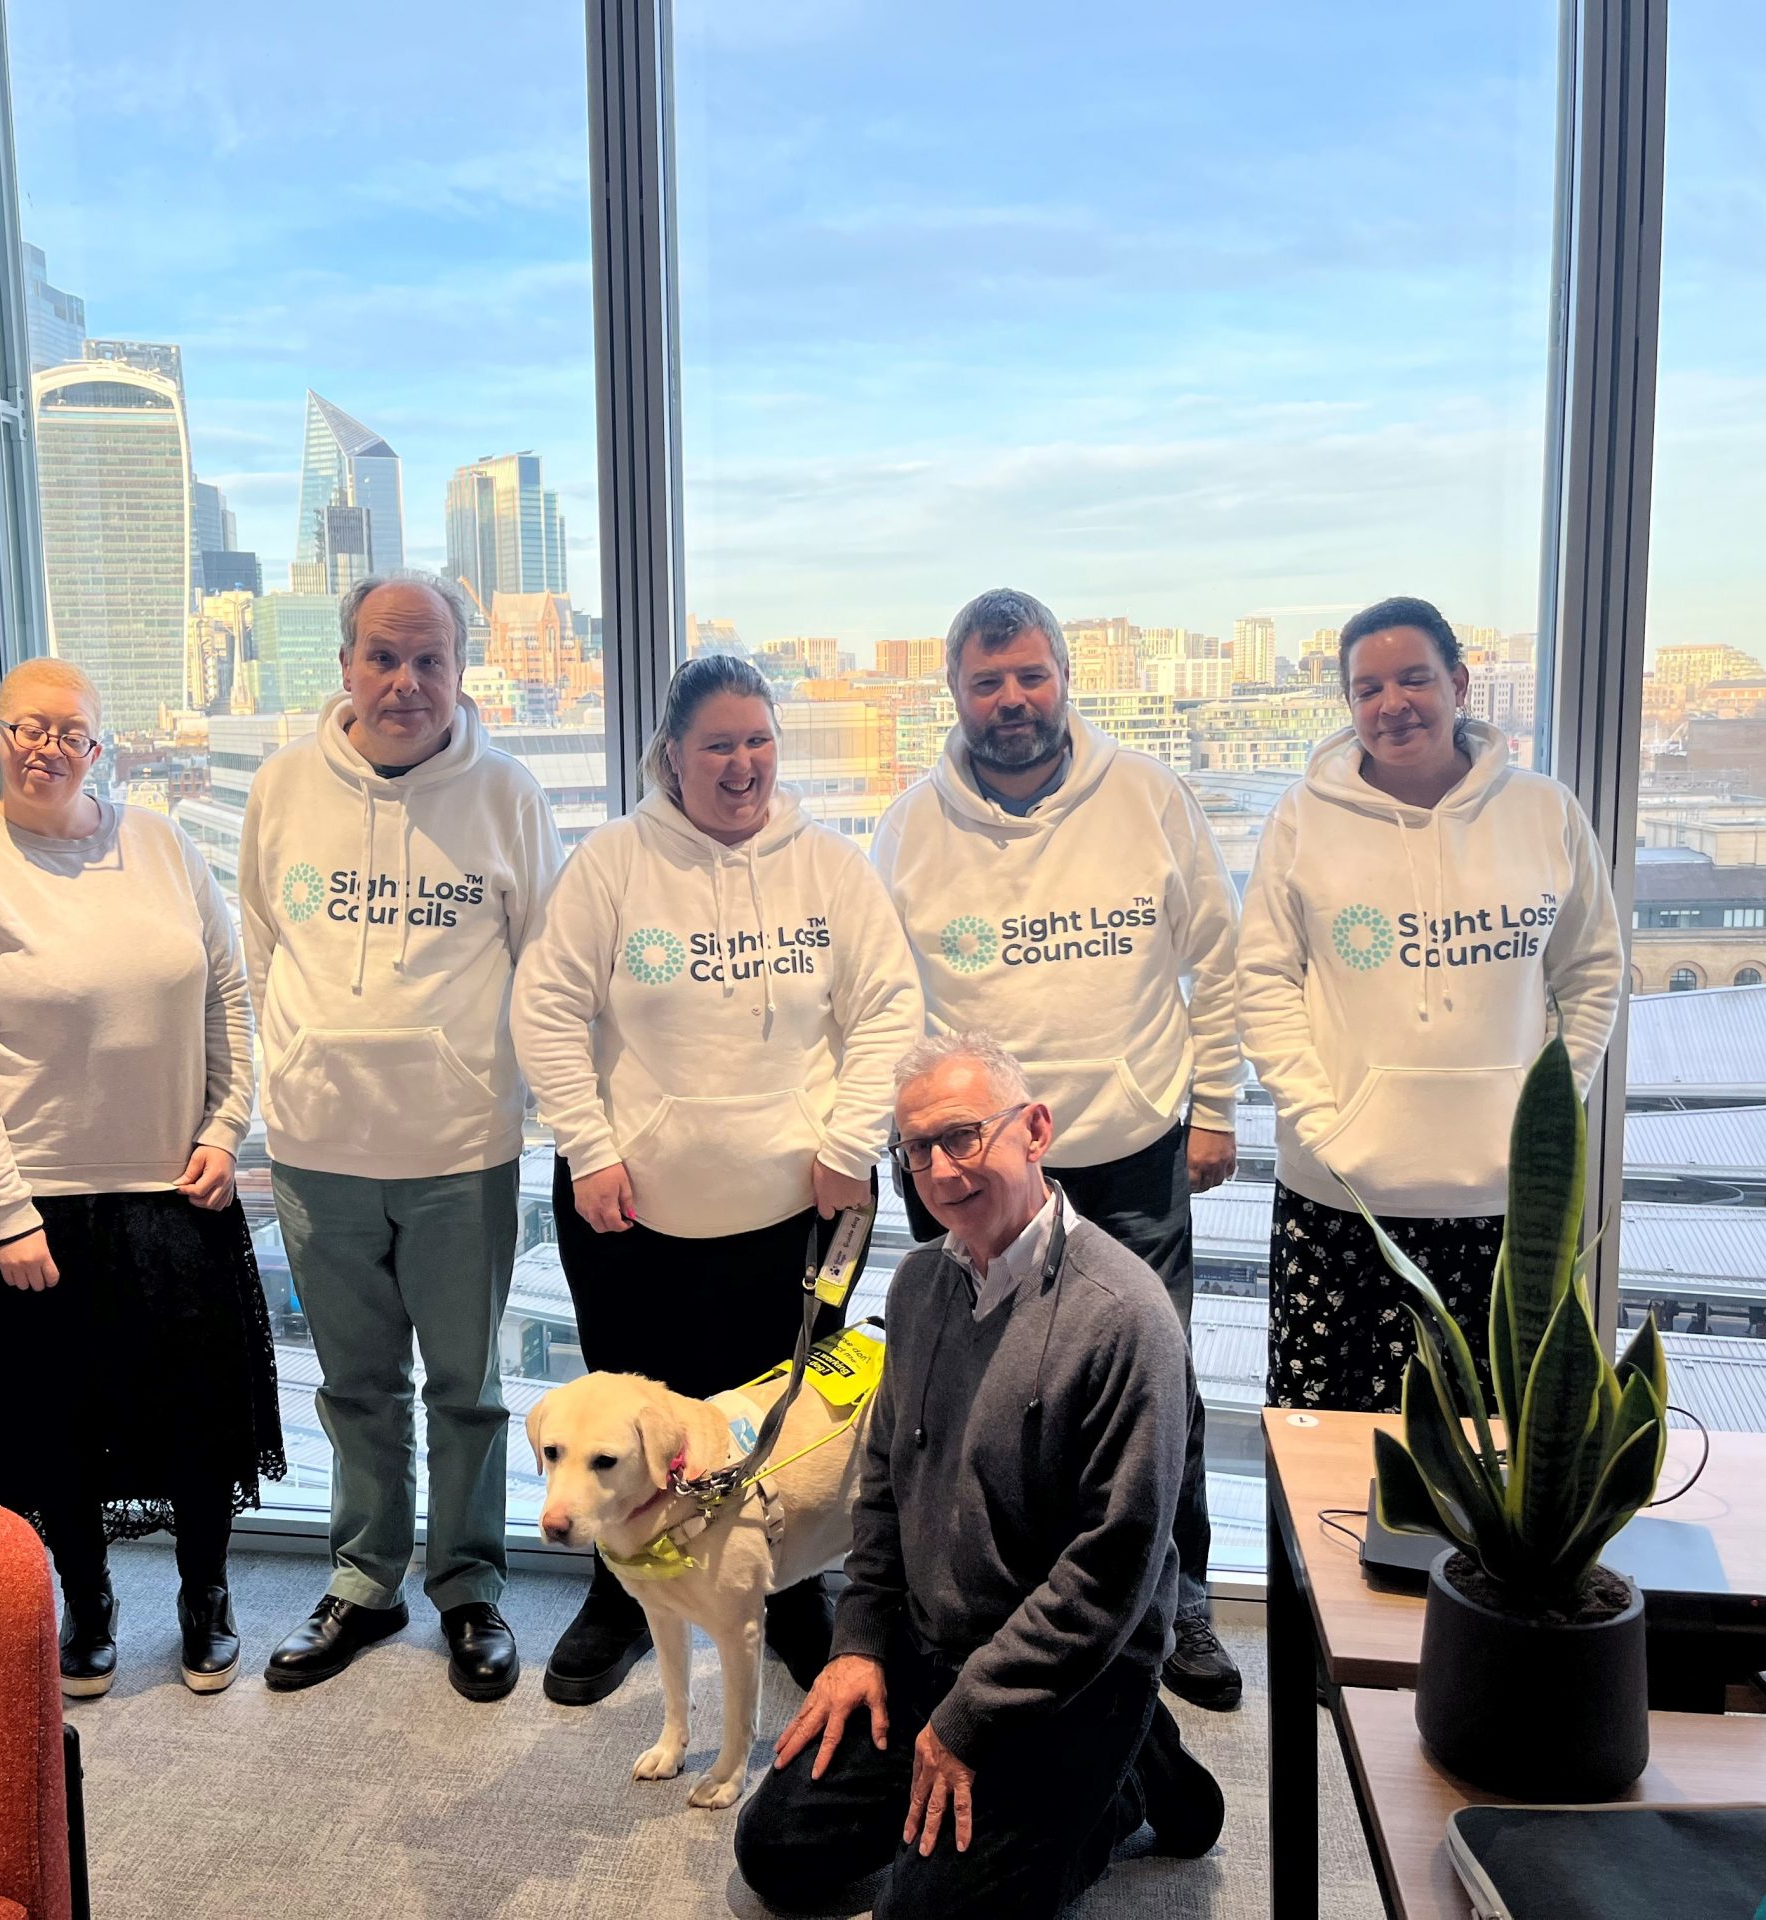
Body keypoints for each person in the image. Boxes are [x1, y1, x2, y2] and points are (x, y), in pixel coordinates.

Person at [512, 653, 924, 1706]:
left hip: (799, 1208)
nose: (742, 765)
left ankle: (792, 1585)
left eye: (758, 742)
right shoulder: (611, 863)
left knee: (781, 1425)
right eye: (717, 746)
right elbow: (544, 1008)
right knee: (626, 1428)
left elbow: (888, 1006)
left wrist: (850, 1138)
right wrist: (588, 1146)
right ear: (671, 756)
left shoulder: (830, 867)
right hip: (629, 1211)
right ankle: (622, 1596)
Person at [734, 1032, 1223, 1919]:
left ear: (1034, 1130)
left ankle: (1123, 1781)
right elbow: (883, 1486)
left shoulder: (1126, 1317)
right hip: (930, 1643)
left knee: (922, 1914)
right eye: (915, 1149)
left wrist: (966, 1722)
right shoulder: (917, 1285)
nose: (939, 1170)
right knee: (776, 1851)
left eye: (962, 1136)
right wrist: (858, 1640)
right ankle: (1098, 1775)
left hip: (1072, 1671)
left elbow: (1111, 1572)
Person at [872, 586, 1245, 1713]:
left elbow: (1219, 958)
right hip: (970, 1163)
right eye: (987, 681)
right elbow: (883, 1000)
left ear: (1065, 680)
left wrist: (1215, 1105)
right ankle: (985, 1600)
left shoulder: (1150, 797)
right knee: (971, 1390)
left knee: (1157, 1387)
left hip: (1127, 1145)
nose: (1012, 699)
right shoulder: (908, 828)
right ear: (954, 693)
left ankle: (1176, 1600)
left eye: (1031, 675)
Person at [0, 657, 283, 1699]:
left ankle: (205, 1597)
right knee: (59, 1425)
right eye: (27, 728)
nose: (48, 747)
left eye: (69, 731)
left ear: (99, 748)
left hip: (176, 1190)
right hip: (35, 1208)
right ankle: (89, 1601)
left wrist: (227, 1126)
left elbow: (227, 995)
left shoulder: (162, 845)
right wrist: (5, 1213)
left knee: (198, 1420)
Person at [237, 572, 562, 1701]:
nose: (405, 682)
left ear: (460, 671)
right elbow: (262, 949)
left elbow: (545, 968)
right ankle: (364, 1580)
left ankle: (469, 1586)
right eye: (383, 656)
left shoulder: (508, 795)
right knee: (355, 1385)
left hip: (459, 1147)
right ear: (345, 666)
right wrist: (289, 1074)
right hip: (318, 1145)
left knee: (466, 1387)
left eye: (430, 659)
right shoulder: (281, 787)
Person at [1237, 595, 1623, 1411]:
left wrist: (1550, 1106)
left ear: (1459, 683)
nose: (1392, 705)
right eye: (1367, 689)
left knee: (1497, 1446)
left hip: (1504, 1199)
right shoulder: (1301, 819)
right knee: (1324, 1447)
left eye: (1413, 679)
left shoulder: (1544, 812)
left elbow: (1592, 970)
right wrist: (1322, 1123)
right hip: (1340, 1201)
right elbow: (1264, 981)